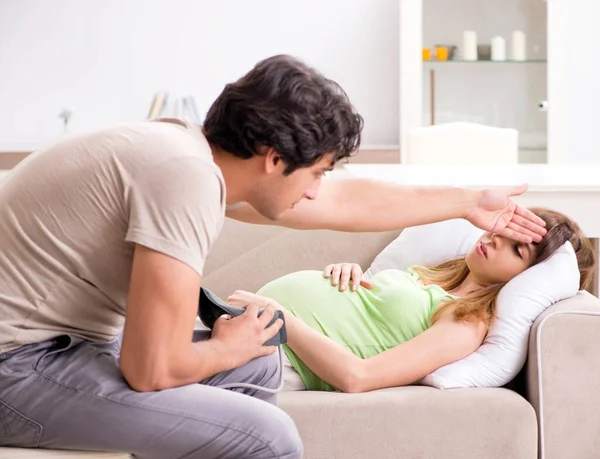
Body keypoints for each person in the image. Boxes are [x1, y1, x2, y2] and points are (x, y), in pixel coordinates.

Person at [0, 54, 546, 459]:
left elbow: (344, 202)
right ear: (274, 158)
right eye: (316, 173)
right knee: (271, 435)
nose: (315, 191)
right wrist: (224, 346)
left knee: (258, 357)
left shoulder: (188, 156)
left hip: (58, 349)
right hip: (18, 366)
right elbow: (151, 368)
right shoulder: (181, 179)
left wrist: (471, 201)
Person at [227, 208, 595, 393]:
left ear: (526, 278)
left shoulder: (466, 324)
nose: (496, 239)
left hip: (276, 356)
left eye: (517, 250)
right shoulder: (434, 277)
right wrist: (347, 276)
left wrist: (285, 321)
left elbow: (358, 376)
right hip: (252, 330)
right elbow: (368, 319)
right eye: (507, 230)